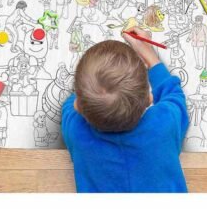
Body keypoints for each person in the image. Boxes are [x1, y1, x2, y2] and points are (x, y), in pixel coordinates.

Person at [61, 27, 189, 193]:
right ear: (149, 98)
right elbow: (173, 94)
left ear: (77, 106)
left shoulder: (75, 131)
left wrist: (88, 92)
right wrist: (149, 55)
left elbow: (69, 107)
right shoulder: (164, 124)